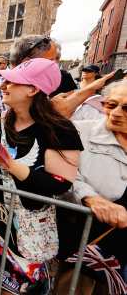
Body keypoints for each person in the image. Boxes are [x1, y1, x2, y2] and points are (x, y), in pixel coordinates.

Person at [0, 58, 83, 294]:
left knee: (16, 271)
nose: (2, 86)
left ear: (33, 89)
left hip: (24, 219)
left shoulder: (60, 131)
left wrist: (9, 164)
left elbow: (59, 185)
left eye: (11, 82)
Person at [57, 79, 127, 286]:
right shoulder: (80, 131)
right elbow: (62, 174)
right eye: (111, 104)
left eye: (126, 108)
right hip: (86, 240)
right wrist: (90, 198)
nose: (115, 113)